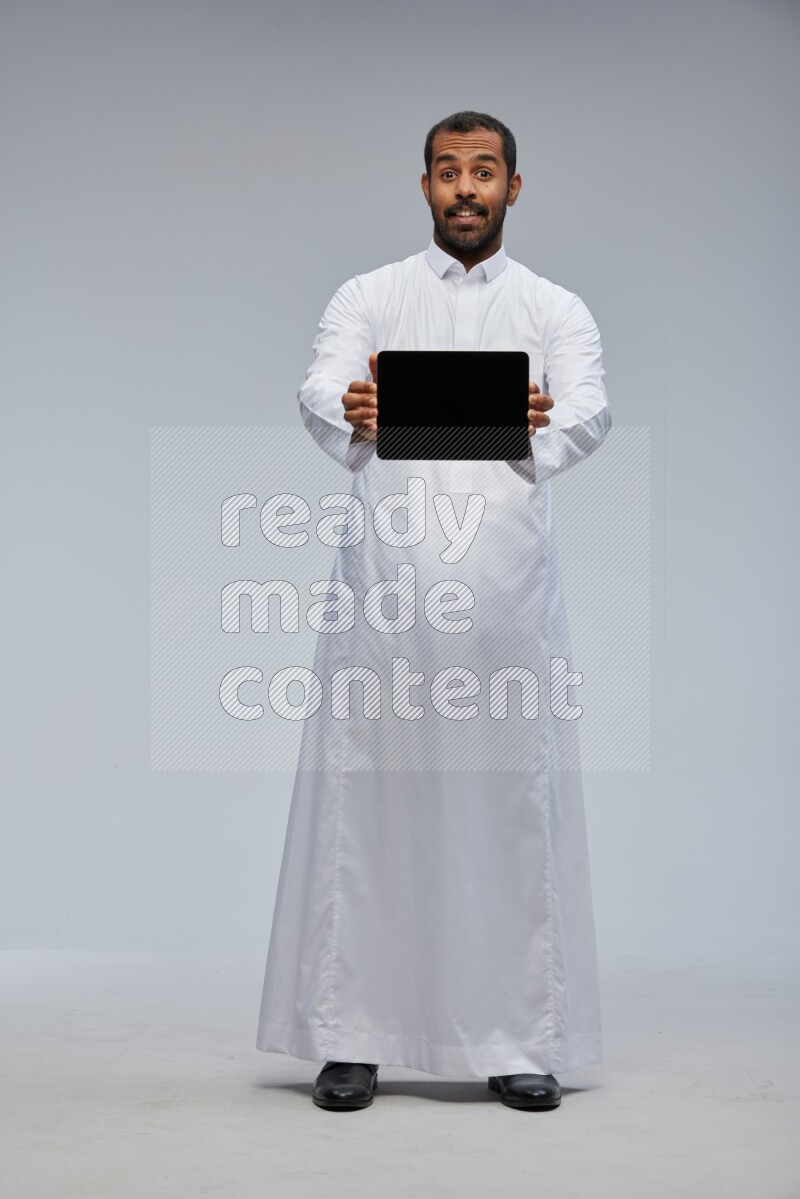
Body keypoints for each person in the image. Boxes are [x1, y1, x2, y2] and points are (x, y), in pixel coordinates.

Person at [256, 110, 611, 1112]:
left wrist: (538, 421)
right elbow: (322, 379)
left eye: (483, 171)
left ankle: (514, 1036)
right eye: (448, 172)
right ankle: (349, 1033)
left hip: (503, 599)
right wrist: (349, 407)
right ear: (423, 186)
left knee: (505, 808)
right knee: (369, 806)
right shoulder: (370, 296)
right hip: (386, 592)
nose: (465, 188)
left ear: (512, 187)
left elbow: (586, 405)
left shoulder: (551, 308)